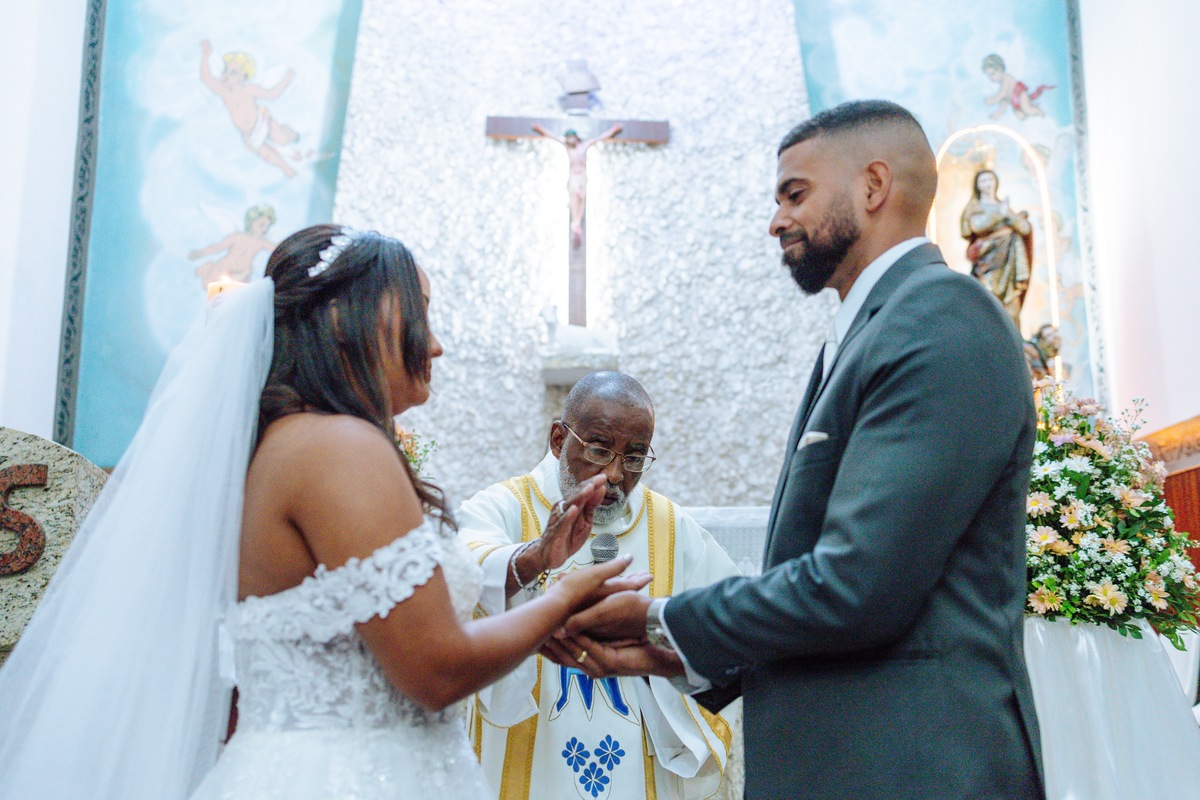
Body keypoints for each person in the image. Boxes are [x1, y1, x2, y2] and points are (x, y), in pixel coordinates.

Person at [0, 224, 646, 800]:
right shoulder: (338, 447)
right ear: (344, 321)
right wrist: (570, 596)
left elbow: (365, 616)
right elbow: (436, 669)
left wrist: (536, 572)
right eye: (420, 312)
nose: (439, 345)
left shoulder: (289, 442)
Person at [556, 100, 1045, 799]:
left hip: (912, 766)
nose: (776, 220)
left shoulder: (941, 317)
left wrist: (664, 621)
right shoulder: (866, 333)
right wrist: (670, 654)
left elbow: (858, 584)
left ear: (873, 187)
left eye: (795, 193)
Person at [458, 371, 740, 800]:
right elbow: (460, 574)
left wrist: (649, 633)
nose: (613, 474)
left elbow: (730, 631)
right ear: (558, 440)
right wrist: (536, 557)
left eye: (634, 457)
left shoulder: (671, 528)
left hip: (637, 759)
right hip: (523, 757)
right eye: (598, 449)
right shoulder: (503, 506)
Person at [200, 40, 300, 178]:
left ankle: (290, 134)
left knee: (281, 138)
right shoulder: (224, 93)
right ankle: (286, 168)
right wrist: (205, 56)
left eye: (233, 72)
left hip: (262, 121)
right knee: (265, 154)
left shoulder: (249, 90)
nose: (226, 75)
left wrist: (285, 81)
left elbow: (271, 95)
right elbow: (206, 78)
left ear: (244, 77)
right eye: (225, 70)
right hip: (248, 134)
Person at [961, 168, 1034, 331]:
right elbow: (976, 226)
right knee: (988, 306)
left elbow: (1025, 229)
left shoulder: (1004, 206)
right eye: (983, 181)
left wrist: (1010, 215)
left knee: (1011, 308)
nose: (988, 184)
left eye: (990, 179)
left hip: (1009, 261)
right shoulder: (974, 206)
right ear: (977, 186)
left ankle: (1016, 348)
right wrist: (1001, 215)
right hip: (988, 262)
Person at [531, 122, 622, 245]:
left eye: (571, 138)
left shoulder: (584, 146)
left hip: (582, 175)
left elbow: (601, 137)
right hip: (573, 175)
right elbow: (552, 136)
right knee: (575, 195)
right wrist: (539, 129)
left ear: (576, 138)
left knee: (581, 198)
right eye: (568, 139)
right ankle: (575, 223)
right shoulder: (568, 147)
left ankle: (577, 223)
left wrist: (614, 131)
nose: (570, 140)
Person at [190, 203, 277, 285]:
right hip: (225, 268)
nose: (265, 229)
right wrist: (201, 253)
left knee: (235, 289)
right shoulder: (237, 236)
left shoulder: (262, 242)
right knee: (218, 287)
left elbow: (276, 249)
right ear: (251, 223)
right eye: (261, 225)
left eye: (267, 226)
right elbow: (218, 247)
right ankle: (206, 271)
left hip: (242, 273)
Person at [982, 53, 1054, 121]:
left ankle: (1040, 113)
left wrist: (994, 100)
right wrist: (999, 112)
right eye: (989, 76)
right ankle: (1033, 111)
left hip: (1019, 94)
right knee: (1021, 116)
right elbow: (1004, 100)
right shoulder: (1001, 83)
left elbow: (1002, 93)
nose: (991, 78)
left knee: (1028, 110)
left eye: (992, 74)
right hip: (1013, 100)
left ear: (1000, 69)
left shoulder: (1006, 78)